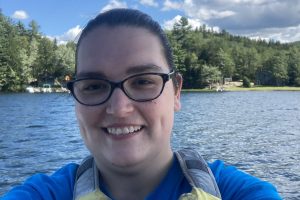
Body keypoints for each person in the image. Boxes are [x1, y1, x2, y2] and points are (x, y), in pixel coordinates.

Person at [2, 8, 281, 200]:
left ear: (176, 92)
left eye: (143, 81)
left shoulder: (237, 193)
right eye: (94, 86)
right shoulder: (45, 194)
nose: (119, 108)